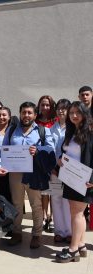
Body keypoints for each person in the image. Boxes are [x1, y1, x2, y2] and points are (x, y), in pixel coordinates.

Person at [0, 102, 55, 249]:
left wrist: (38, 150)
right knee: (16, 203)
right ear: (20, 113)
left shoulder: (42, 131)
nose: (26, 115)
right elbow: (3, 150)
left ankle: (37, 234)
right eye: (24, 112)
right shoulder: (11, 130)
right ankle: (17, 232)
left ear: (35, 115)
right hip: (15, 173)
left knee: (36, 204)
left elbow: (51, 149)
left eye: (29, 113)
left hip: (34, 173)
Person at [55, 101, 93, 263]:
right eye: (71, 113)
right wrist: (60, 161)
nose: (74, 116)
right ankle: (81, 244)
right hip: (70, 177)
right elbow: (69, 154)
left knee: (77, 213)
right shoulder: (70, 132)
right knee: (77, 213)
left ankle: (73, 250)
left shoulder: (90, 132)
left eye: (78, 112)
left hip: (85, 180)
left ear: (85, 114)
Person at [50, 99, 72, 243]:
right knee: (56, 198)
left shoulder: (73, 128)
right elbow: (49, 149)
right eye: (58, 108)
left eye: (64, 108)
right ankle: (59, 231)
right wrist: (52, 166)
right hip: (54, 170)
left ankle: (69, 232)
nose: (61, 111)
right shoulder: (51, 129)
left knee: (67, 201)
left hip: (70, 170)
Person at [36, 95, 57, 233]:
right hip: (41, 161)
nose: (45, 107)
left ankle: (53, 217)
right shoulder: (36, 121)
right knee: (44, 191)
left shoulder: (56, 121)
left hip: (55, 160)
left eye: (48, 105)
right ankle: (44, 216)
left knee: (54, 191)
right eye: (42, 105)